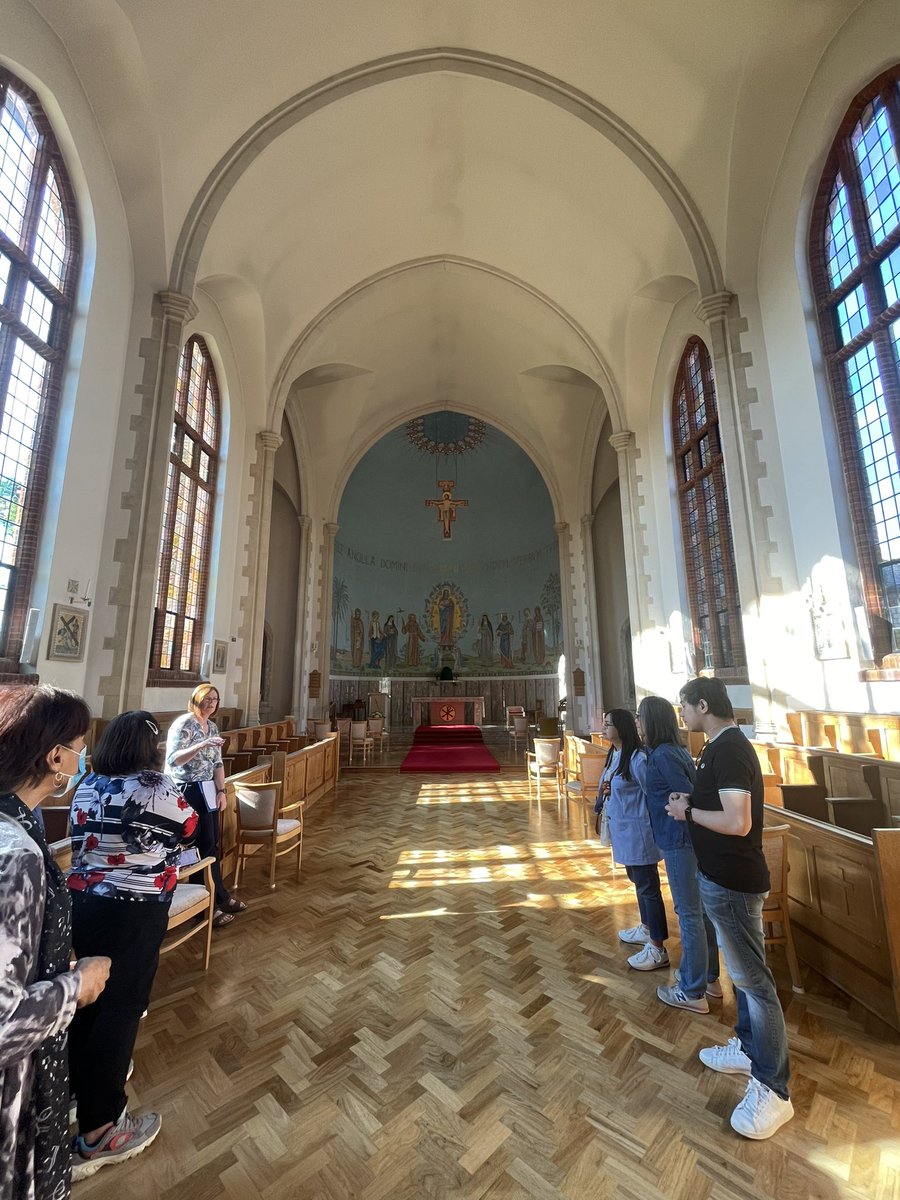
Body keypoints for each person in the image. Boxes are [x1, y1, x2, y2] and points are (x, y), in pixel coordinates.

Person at [68, 710, 198, 1178]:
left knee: (86, 1001)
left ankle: (77, 1093)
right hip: (135, 908)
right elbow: (188, 826)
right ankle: (102, 1132)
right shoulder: (153, 786)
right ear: (150, 748)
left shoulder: (88, 782)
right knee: (121, 1009)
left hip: (83, 904)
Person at [666, 676, 793, 1139]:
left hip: (735, 883)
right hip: (719, 878)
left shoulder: (731, 748)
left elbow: (738, 822)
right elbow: (720, 804)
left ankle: (773, 1089)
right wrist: (692, 801)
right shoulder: (716, 748)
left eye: (685, 707)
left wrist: (688, 813)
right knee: (742, 978)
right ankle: (744, 1046)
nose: (682, 715)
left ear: (703, 705)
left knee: (755, 985)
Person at [0, 684, 110, 1200]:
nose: (84, 755)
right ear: (55, 756)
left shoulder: (21, 819)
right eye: (79, 744)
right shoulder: (15, 854)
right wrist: (77, 985)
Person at [634, 696, 720, 1013]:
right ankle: (709, 977)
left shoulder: (662, 756)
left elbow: (688, 792)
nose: (637, 724)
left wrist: (678, 805)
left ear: (653, 721)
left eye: (640, 718)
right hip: (685, 837)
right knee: (700, 911)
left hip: (678, 839)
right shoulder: (674, 750)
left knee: (689, 913)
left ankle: (691, 989)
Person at [165, 684, 246, 926]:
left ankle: (219, 896)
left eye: (215, 699)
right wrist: (201, 745)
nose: (212, 703)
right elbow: (173, 759)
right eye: (207, 698)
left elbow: (217, 764)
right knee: (199, 847)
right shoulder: (184, 724)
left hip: (208, 790)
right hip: (187, 790)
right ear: (196, 699)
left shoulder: (211, 726)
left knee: (211, 845)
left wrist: (222, 791)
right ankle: (206, 906)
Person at [597, 709, 668, 970]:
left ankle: (658, 948)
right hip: (623, 828)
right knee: (637, 880)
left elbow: (653, 793)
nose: (603, 728)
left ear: (622, 728)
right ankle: (647, 928)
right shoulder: (615, 754)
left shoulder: (637, 758)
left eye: (608, 724)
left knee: (648, 886)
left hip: (639, 831)